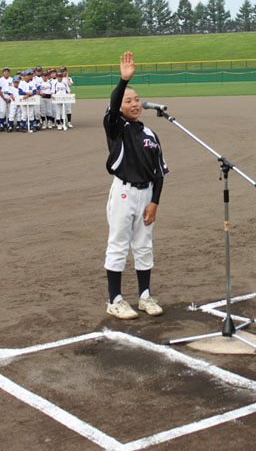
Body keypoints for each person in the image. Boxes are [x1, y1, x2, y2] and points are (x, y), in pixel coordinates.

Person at [103, 51, 169, 319]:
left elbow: (159, 173)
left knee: (144, 245)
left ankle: (144, 296)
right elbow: (113, 104)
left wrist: (155, 202)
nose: (134, 104)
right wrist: (124, 81)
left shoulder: (151, 134)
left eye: (137, 99)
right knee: (118, 244)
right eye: (128, 100)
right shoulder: (116, 128)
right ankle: (115, 299)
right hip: (123, 192)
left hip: (146, 195)